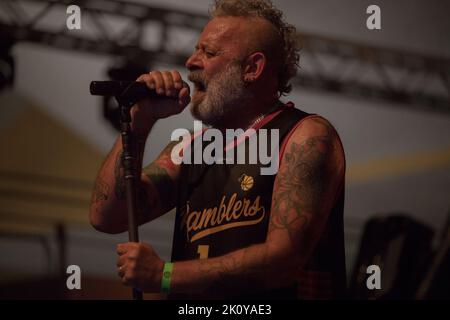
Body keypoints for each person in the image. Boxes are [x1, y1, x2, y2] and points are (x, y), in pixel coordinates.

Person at [89, 0, 346, 299]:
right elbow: (107, 216)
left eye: (208, 53)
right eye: (196, 49)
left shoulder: (305, 135)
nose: (190, 62)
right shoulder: (192, 148)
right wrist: (139, 122)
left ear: (252, 68)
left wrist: (164, 274)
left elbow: (283, 262)